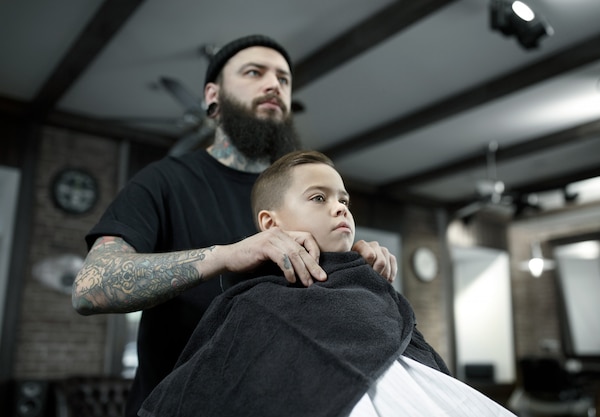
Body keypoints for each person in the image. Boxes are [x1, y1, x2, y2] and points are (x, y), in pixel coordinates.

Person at [72, 35, 397, 417]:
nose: (274, 84)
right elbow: (91, 286)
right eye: (254, 72)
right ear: (213, 95)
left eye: (284, 79)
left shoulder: (302, 195)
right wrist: (226, 256)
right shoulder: (164, 181)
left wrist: (351, 262)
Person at [137, 150, 517, 417]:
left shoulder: (369, 282)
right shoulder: (256, 303)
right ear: (270, 224)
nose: (340, 208)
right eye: (319, 198)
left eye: (344, 200)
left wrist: (367, 283)